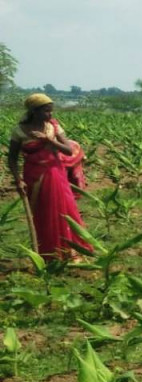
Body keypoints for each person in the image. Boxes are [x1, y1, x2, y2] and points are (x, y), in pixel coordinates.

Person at [6, 93, 91, 260]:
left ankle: (69, 251)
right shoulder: (19, 131)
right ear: (34, 111)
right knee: (43, 213)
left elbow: (68, 150)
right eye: (46, 111)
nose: (50, 114)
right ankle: (48, 253)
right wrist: (18, 180)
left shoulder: (53, 127)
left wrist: (49, 140)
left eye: (51, 110)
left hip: (55, 173)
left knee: (64, 209)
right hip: (34, 176)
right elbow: (12, 158)